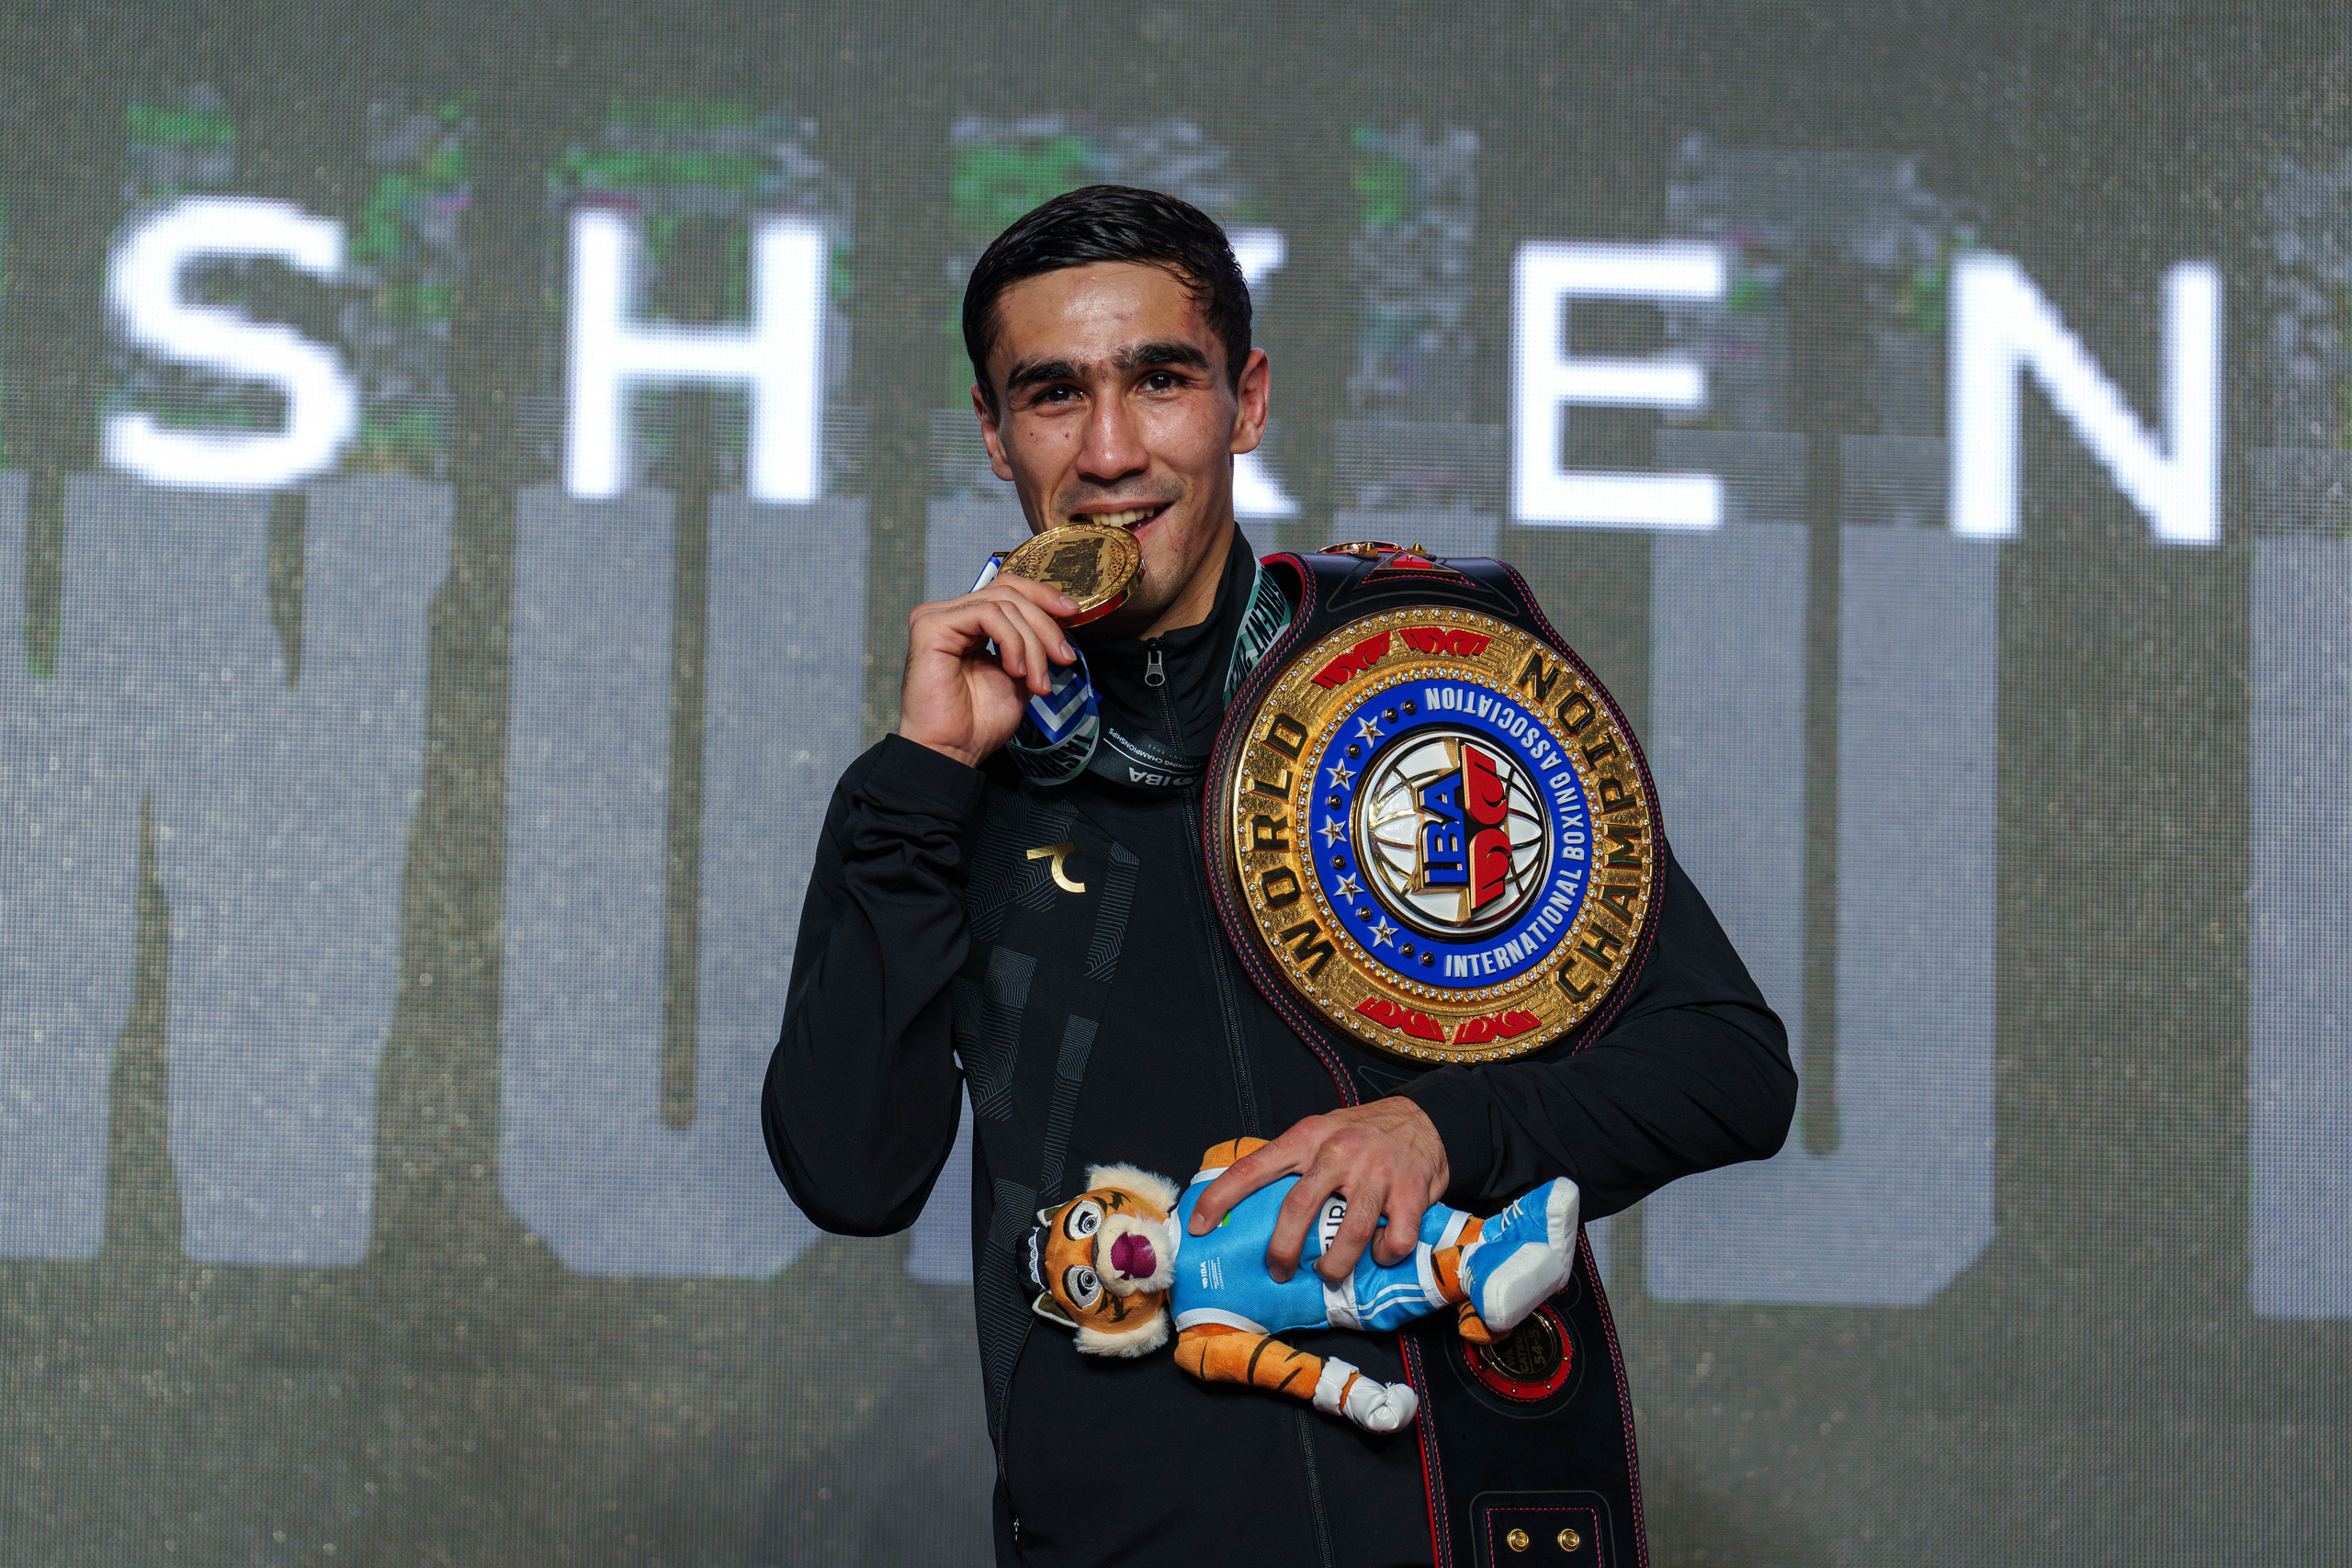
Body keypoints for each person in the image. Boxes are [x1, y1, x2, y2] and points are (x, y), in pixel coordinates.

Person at [764, 184, 1795, 1567]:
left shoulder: (1433, 684)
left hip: (1468, 1524)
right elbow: (850, 1174)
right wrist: (924, 780)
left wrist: (1447, 1131)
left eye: (1163, 380)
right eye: (1056, 394)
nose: (1114, 449)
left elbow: (1730, 1068)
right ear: (994, 433)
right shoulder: (941, 783)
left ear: (1245, 402)